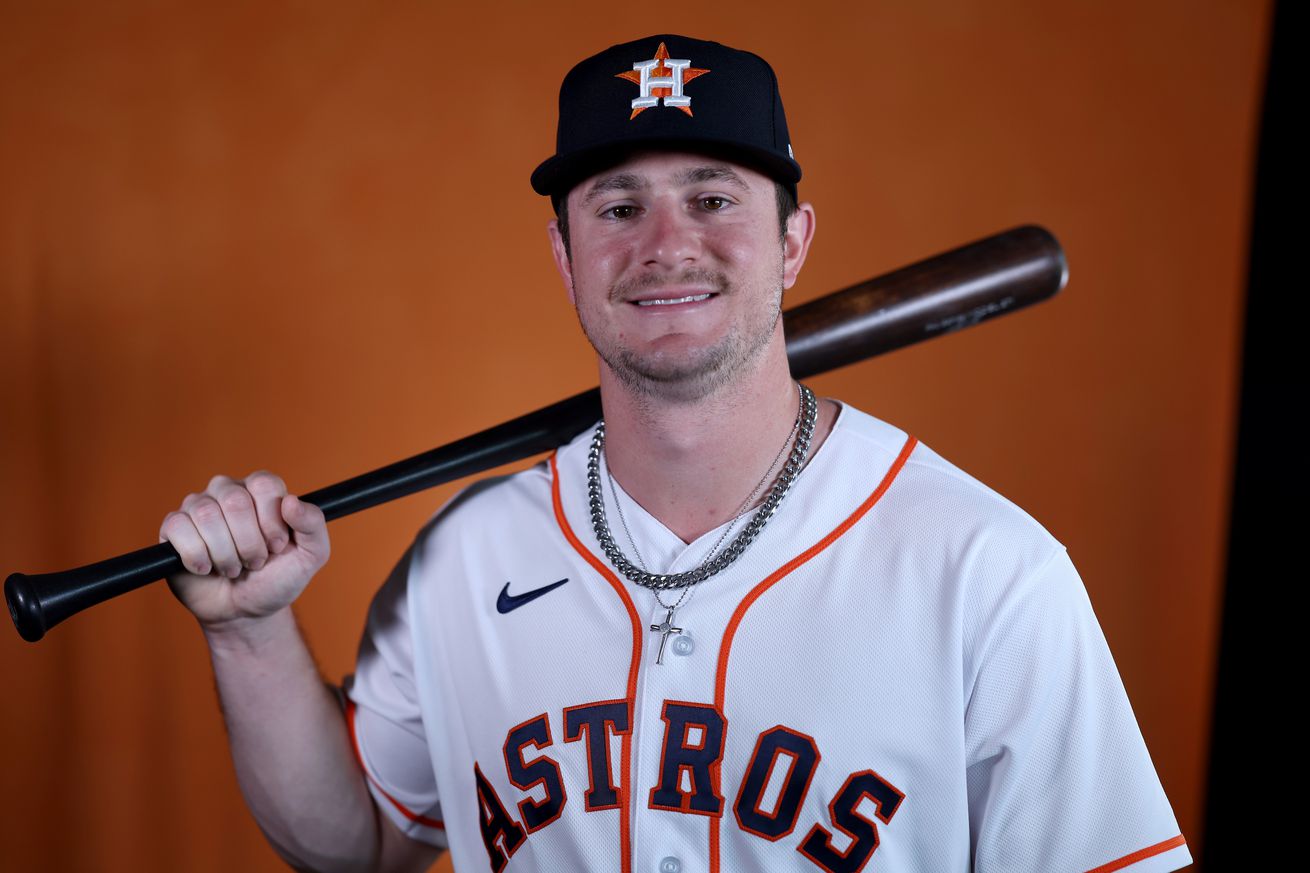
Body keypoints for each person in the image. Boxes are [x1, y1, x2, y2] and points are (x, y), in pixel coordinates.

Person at [160, 35, 1192, 873]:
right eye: (616, 207)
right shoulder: (463, 558)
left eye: (711, 198)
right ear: (564, 258)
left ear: (791, 242)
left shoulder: (987, 573)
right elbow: (360, 843)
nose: (663, 245)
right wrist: (250, 634)